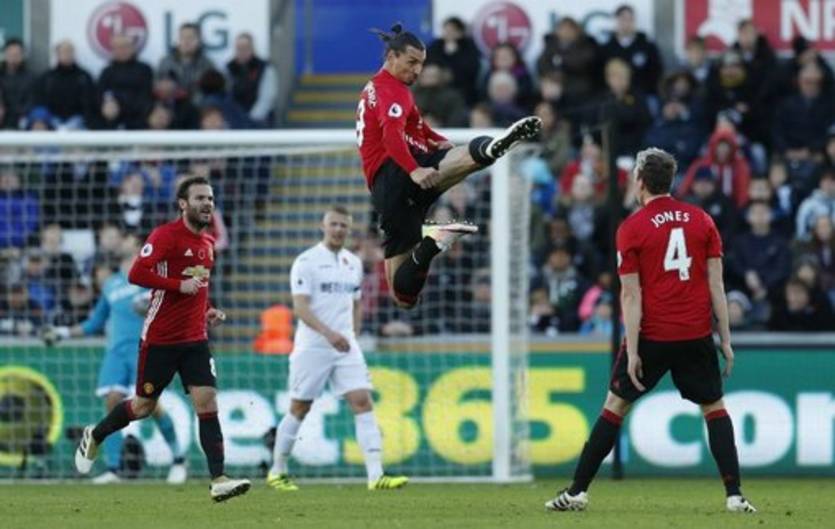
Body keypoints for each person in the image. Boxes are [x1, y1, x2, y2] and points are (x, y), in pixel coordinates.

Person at [544, 148, 756, 514]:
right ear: (670, 180)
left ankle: (577, 492)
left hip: (653, 335)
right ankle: (734, 496)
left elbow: (630, 294)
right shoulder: (702, 220)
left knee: (615, 405)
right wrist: (725, 339)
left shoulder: (632, 228)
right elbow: (716, 285)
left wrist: (633, 350)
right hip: (695, 333)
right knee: (714, 407)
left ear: (640, 182)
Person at [74, 176, 250, 502]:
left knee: (207, 400)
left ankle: (219, 478)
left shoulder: (208, 243)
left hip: (195, 338)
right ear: (183, 204)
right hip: (160, 338)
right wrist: (177, 285)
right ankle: (95, 435)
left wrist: (208, 309)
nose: (207, 203)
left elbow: (199, 287)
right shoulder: (165, 236)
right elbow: (136, 273)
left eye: (210, 198)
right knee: (143, 406)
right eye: (200, 198)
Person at [356, 24, 540, 309]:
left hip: (397, 179)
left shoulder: (381, 87)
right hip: (397, 173)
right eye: (411, 62)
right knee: (462, 160)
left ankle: (433, 242)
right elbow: (392, 136)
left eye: (421, 64)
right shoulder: (394, 91)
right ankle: (488, 149)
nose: (417, 71)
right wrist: (415, 170)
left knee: (402, 296)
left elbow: (416, 126)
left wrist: (435, 140)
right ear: (392, 57)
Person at [268, 206, 409, 491]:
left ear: (349, 230)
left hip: (344, 346)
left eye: (343, 225)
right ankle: (277, 471)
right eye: (333, 224)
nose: (338, 229)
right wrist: (330, 334)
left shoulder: (353, 263)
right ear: (323, 227)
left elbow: (356, 303)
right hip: (313, 347)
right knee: (299, 407)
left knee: (362, 401)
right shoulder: (306, 262)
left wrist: (351, 334)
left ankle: (375, 475)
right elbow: (300, 307)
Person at [42, 240, 186, 484]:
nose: (123, 242)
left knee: (152, 406)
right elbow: (95, 322)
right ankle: (114, 468)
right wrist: (62, 332)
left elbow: (173, 305)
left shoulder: (153, 275)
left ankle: (179, 460)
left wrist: (152, 306)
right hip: (116, 353)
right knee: (111, 402)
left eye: (128, 239)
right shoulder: (111, 284)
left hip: (144, 350)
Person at [225, 32, 278, 127]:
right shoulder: (229, 68)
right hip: (235, 120)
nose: (242, 51)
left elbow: (267, 97)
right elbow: (226, 95)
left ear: (252, 48)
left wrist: (250, 120)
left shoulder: (265, 68)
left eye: (245, 48)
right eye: (239, 48)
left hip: (259, 120)